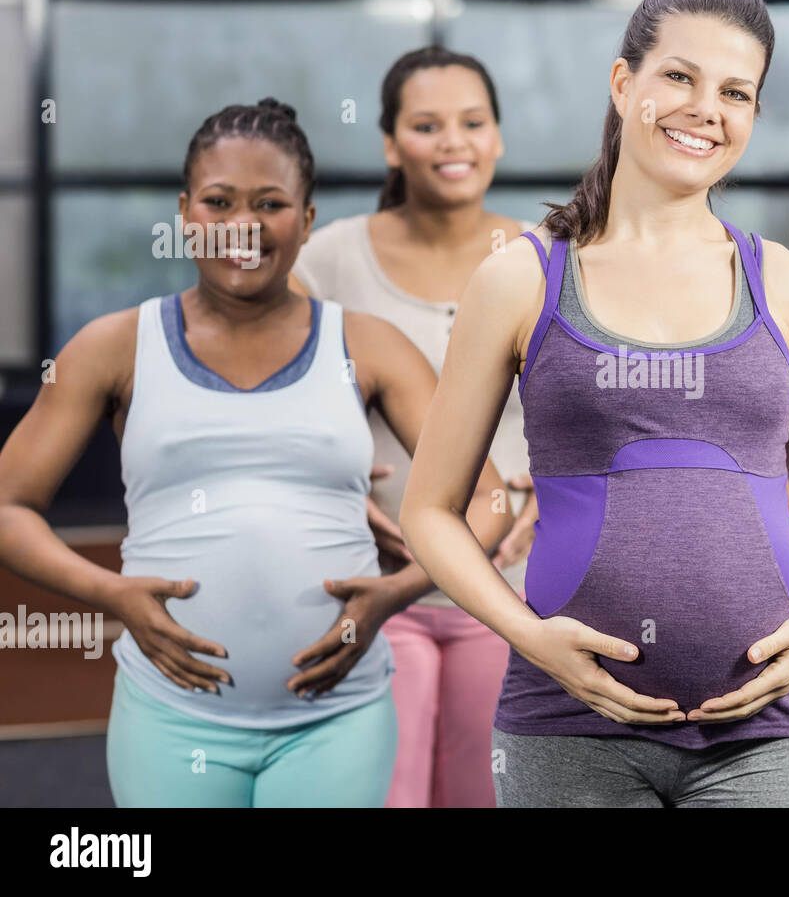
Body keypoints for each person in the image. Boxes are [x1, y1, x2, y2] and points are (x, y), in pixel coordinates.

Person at [398, 0, 789, 808]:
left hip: (760, 733)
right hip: (568, 728)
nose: (705, 110)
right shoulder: (521, 280)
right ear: (625, 85)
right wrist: (531, 638)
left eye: (736, 92)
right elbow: (429, 510)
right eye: (679, 77)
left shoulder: (787, 285)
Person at [0, 98, 512, 807]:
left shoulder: (367, 344)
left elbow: (487, 498)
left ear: (305, 221)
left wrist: (396, 593)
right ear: (185, 213)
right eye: (219, 202)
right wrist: (110, 592)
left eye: (270, 204)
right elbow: (8, 507)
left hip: (336, 718)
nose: (243, 225)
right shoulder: (114, 346)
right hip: (172, 716)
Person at [290, 45, 539, 809]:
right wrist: (323, 483)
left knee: (482, 794)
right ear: (392, 145)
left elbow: (600, 412)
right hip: (365, 588)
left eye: (473, 122)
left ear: (497, 137)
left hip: (511, 591)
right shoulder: (327, 259)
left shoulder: (550, 253)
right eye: (427, 126)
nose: (454, 142)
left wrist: (556, 490)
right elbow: (271, 394)